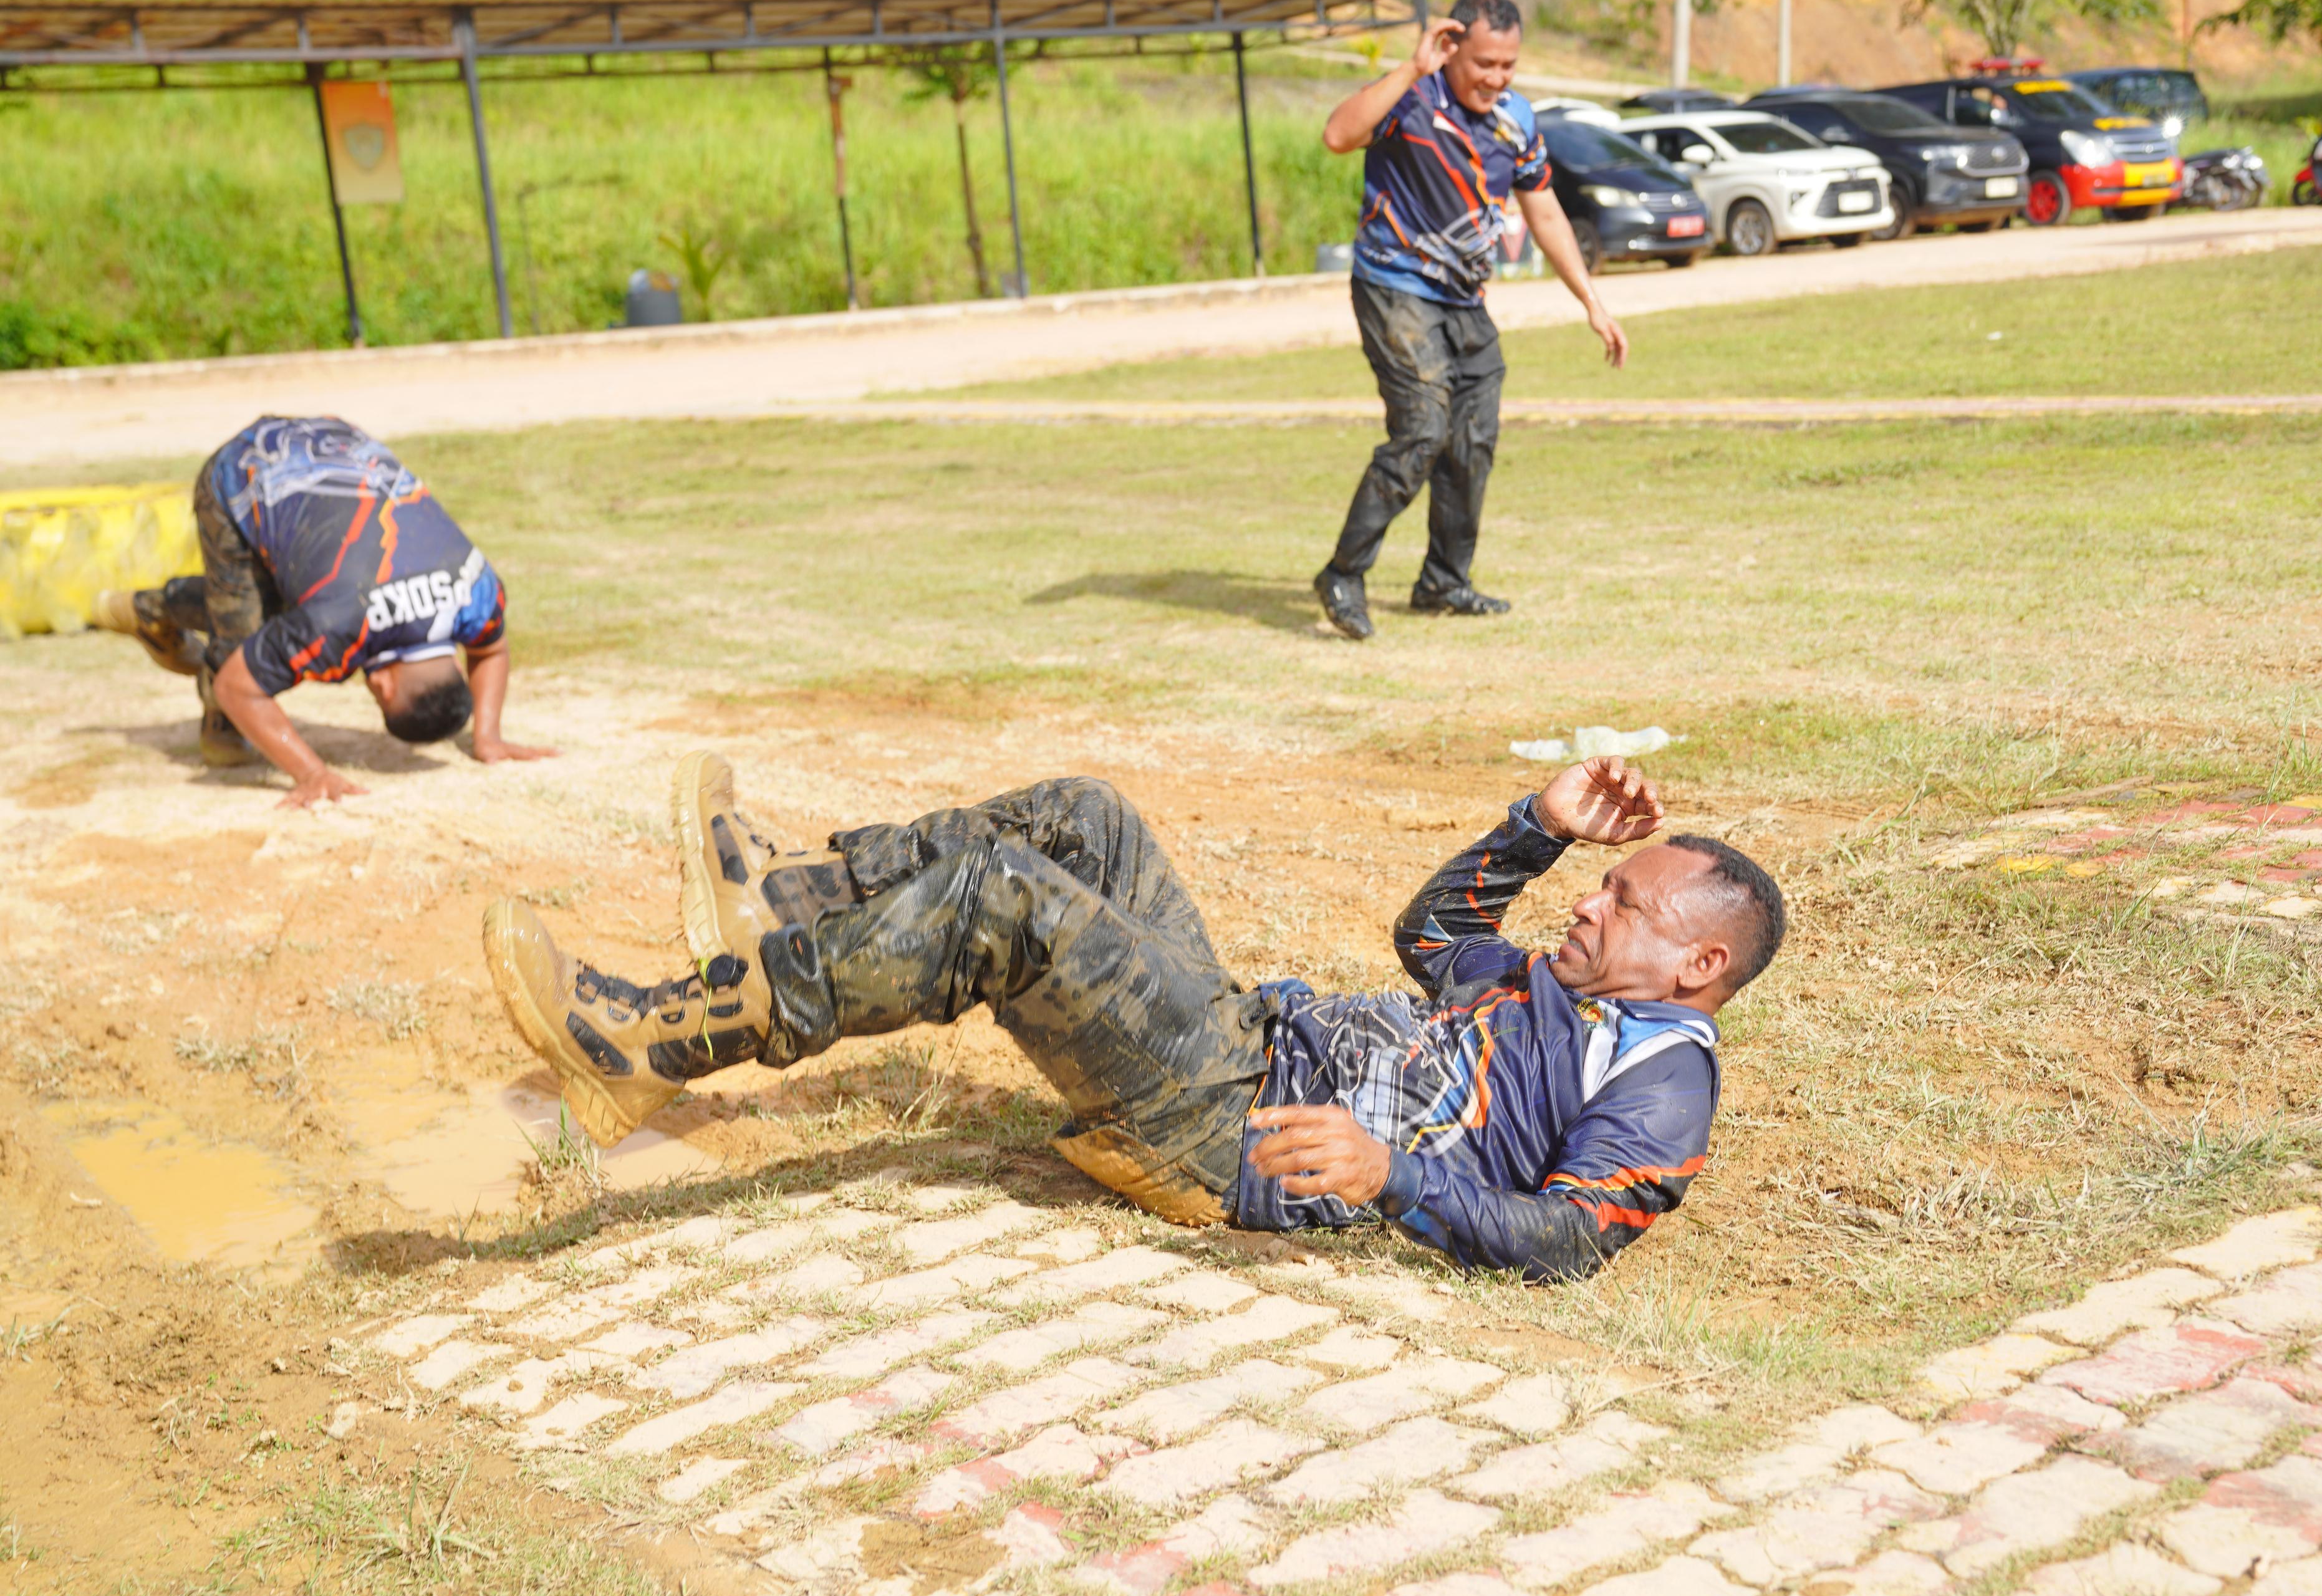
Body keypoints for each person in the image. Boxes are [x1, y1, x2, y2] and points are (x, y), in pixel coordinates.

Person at [483, 752, 1783, 1282]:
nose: (1590, 909)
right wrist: (1536, 828)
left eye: (1624, 903)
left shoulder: (1663, 1086)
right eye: (1598, 888)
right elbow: (1429, 938)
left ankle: (648, 1046)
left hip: (1235, 1130)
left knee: (1012, 902)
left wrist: (1388, 1176)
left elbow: (1569, 1240)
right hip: (1242, 1037)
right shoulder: (1553, 983)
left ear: (1697, 965)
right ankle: (787, 899)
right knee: (1086, 818)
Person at [1311, 0, 1629, 642]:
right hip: (1394, 287)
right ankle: (1343, 571)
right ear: (1452, 48)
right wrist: (1410, 66)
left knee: (1471, 438)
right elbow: (1338, 135)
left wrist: (1591, 302)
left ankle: (1442, 582)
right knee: (1423, 427)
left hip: (1465, 301)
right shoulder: (1412, 99)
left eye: (1508, 65)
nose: (1496, 78)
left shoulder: (1516, 120)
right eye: (1484, 62)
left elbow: (1542, 211)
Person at [92, 415, 553, 808]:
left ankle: (156, 609)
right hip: (242, 473)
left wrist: (487, 735)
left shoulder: (478, 588)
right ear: (383, 683)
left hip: (335, 443)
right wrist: (312, 773)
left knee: (281, 610)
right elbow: (239, 684)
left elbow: (492, 648)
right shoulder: (339, 626)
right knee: (243, 646)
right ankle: (154, 611)